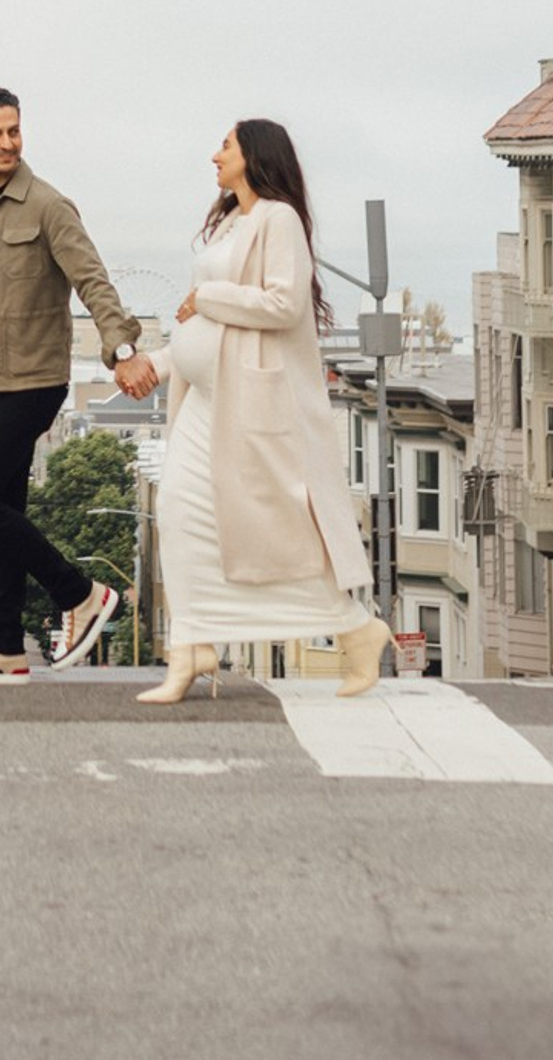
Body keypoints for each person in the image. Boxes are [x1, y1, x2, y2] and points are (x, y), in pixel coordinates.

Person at [127, 117, 393, 705]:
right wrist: (161, 362)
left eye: (224, 145)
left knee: (277, 533)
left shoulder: (280, 219)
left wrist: (207, 298)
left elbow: (282, 302)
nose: (214, 156)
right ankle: (192, 647)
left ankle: (355, 630)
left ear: (253, 154)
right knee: (177, 511)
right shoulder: (231, 222)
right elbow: (206, 327)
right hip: (203, 400)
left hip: (249, 407)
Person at [0, 86, 153, 681]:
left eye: (14, 131)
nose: (7, 143)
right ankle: (5, 646)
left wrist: (122, 350)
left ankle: (80, 593)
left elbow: (94, 282)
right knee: (3, 507)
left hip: (35, 379)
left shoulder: (49, 206)